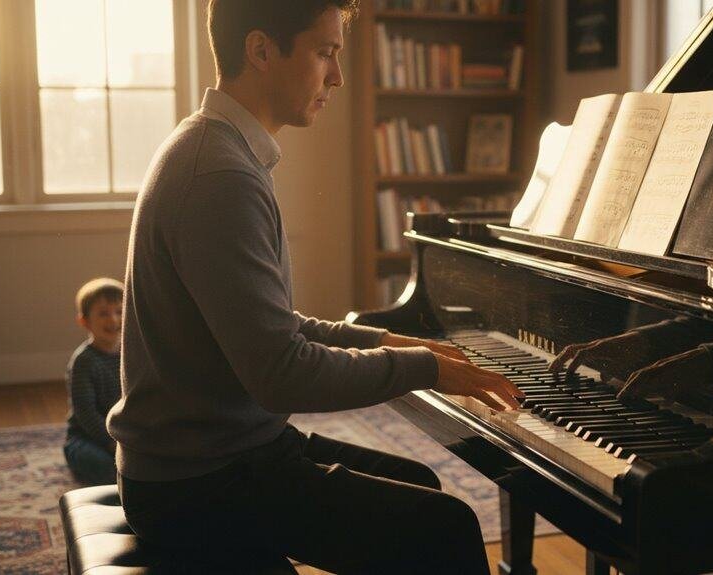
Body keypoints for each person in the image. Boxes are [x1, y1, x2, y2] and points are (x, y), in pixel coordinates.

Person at [105, 1, 523, 573]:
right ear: (260, 50)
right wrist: (425, 368)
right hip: (197, 482)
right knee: (445, 529)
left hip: (220, 453)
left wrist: (389, 343)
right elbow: (281, 373)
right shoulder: (221, 176)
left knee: (420, 483)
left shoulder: (216, 149)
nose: (338, 76)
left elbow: (271, 329)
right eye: (325, 52)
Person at [64, 277, 122, 486]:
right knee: (103, 464)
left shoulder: (132, 354)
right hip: (88, 436)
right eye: (104, 313)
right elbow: (86, 413)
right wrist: (110, 442)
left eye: (119, 312)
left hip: (126, 432)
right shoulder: (84, 361)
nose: (113, 319)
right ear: (84, 321)